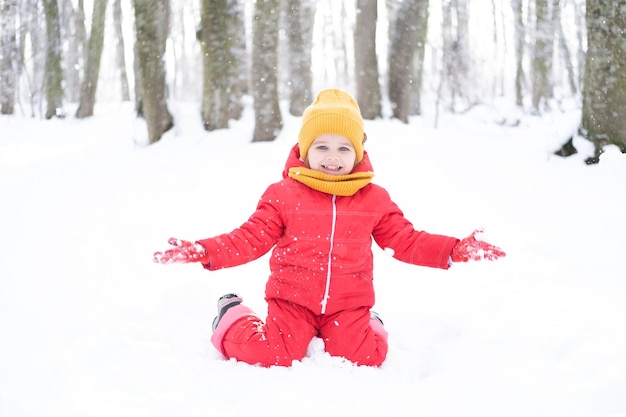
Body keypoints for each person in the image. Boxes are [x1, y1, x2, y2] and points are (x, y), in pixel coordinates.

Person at [153, 88, 506, 367]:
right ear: (305, 151)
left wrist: (452, 248)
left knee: (367, 357)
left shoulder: (373, 199)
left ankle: (372, 324)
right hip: (293, 299)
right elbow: (251, 237)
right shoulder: (283, 194)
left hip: (348, 304)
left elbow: (405, 240)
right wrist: (207, 250)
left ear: (358, 154)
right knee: (275, 354)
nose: (332, 157)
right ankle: (231, 314)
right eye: (322, 146)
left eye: (343, 148)